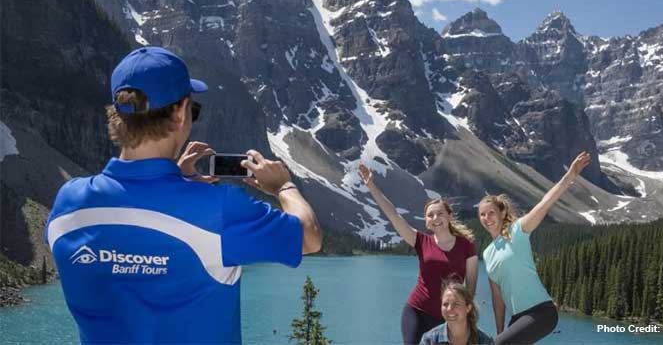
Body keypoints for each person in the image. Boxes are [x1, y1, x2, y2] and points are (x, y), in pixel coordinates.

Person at [45, 46, 322, 344]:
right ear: (179, 114)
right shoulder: (218, 208)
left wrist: (176, 180)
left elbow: (133, 215)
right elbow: (309, 237)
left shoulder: (68, 203)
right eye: (194, 109)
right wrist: (283, 186)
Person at [358, 163, 479, 345]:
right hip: (416, 311)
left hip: (448, 316)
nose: (435, 218)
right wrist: (372, 188)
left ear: (449, 216)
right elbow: (394, 216)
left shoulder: (467, 246)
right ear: (427, 222)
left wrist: (464, 317)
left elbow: (470, 288)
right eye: (430, 215)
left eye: (439, 214)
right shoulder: (421, 241)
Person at [479, 151, 591, 345]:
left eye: (491, 213)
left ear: (502, 212)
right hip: (518, 320)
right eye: (482, 215)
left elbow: (545, 203)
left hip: (542, 313)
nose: (487, 218)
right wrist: (499, 334)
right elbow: (498, 298)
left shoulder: (518, 230)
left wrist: (570, 175)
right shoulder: (488, 253)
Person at [419, 279, 494, 345]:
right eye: (445, 304)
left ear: (468, 308)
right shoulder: (430, 340)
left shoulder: (484, 341)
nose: (449, 309)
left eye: (456, 304)